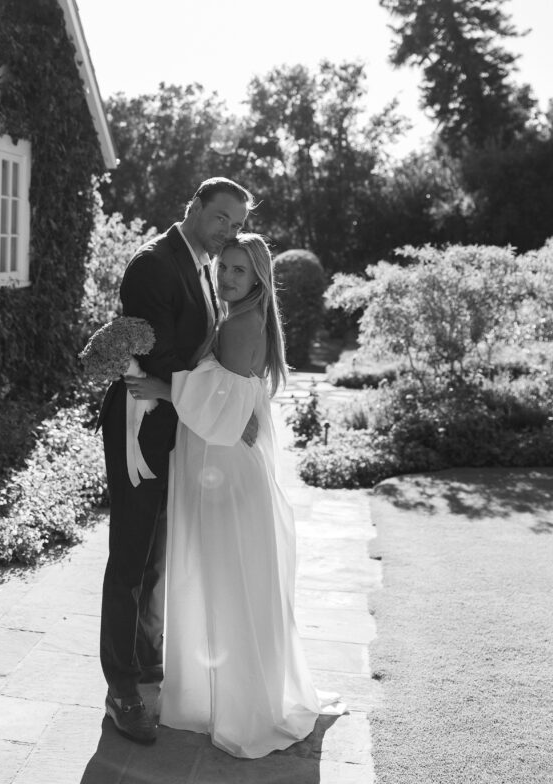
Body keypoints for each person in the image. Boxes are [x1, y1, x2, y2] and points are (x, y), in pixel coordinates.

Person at [126, 233, 344, 758]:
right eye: (223, 268)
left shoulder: (243, 324)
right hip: (217, 463)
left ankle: (246, 709)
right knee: (225, 584)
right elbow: (229, 395)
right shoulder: (236, 318)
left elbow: (224, 400)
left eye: (238, 272)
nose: (226, 278)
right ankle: (226, 695)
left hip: (225, 471)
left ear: (258, 280)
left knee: (229, 587)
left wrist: (164, 389)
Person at [98, 177, 254, 744]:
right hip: (141, 425)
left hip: (178, 427)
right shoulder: (154, 264)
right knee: (130, 558)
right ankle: (121, 690)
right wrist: (211, 394)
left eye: (237, 224)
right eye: (221, 218)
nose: (228, 232)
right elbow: (158, 352)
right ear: (193, 207)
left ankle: (146, 666)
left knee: (156, 558)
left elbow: (198, 350)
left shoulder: (203, 266)